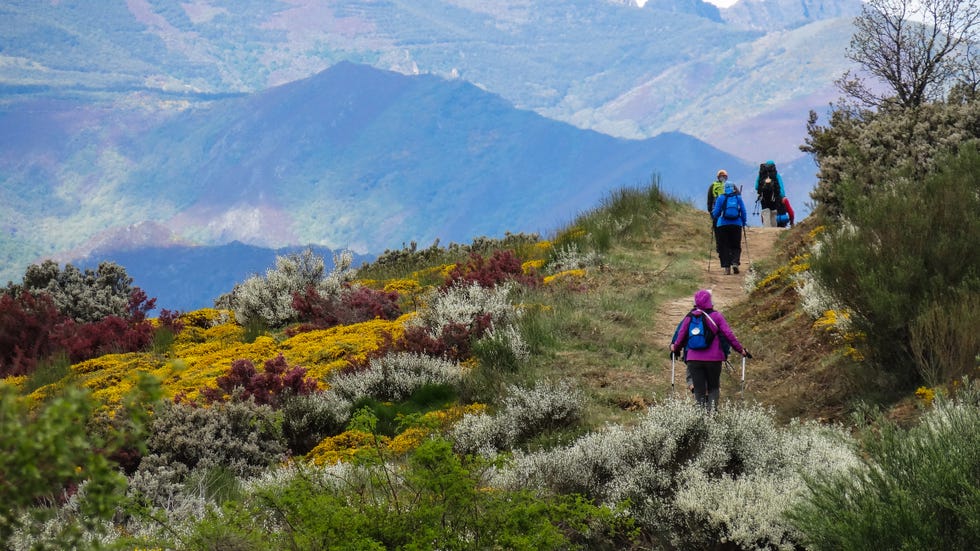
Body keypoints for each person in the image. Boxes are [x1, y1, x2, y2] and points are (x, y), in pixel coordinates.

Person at [670, 289, 749, 411]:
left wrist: (675, 349)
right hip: (714, 359)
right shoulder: (716, 316)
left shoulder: (689, 317)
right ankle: (711, 417)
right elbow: (729, 335)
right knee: (713, 388)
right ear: (710, 301)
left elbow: (680, 336)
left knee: (699, 391)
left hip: (693, 359)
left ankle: (701, 419)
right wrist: (740, 350)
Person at [710, 180, 747, 275]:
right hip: (736, 224)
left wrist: (714, 216)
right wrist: (743, 221)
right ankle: (735, 262)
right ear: (733, 188)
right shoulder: (738, 198)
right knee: (735, 245)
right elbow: (743, 210)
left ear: (724, 188)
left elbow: (716, 212)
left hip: (722, 225)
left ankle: (727, 267)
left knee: (724, 246)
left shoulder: (721, 198)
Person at [755, 160, 786, 227]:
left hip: (763, 197)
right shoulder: (776, 175)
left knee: (766, 212)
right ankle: (773, 230)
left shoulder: (761, 175)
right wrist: (782, 196)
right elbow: (781, 187)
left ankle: (767, 229)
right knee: (773, 213)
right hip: (774, 197)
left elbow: (756, 187)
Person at [706, 170, 728, 260]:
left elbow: (709, 200)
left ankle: (720, 249)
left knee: (717, 232)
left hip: (716, 214)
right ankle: (726, 248)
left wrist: (710, 212)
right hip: (727, 214)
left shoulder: (712, 186)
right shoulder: (730, 186)